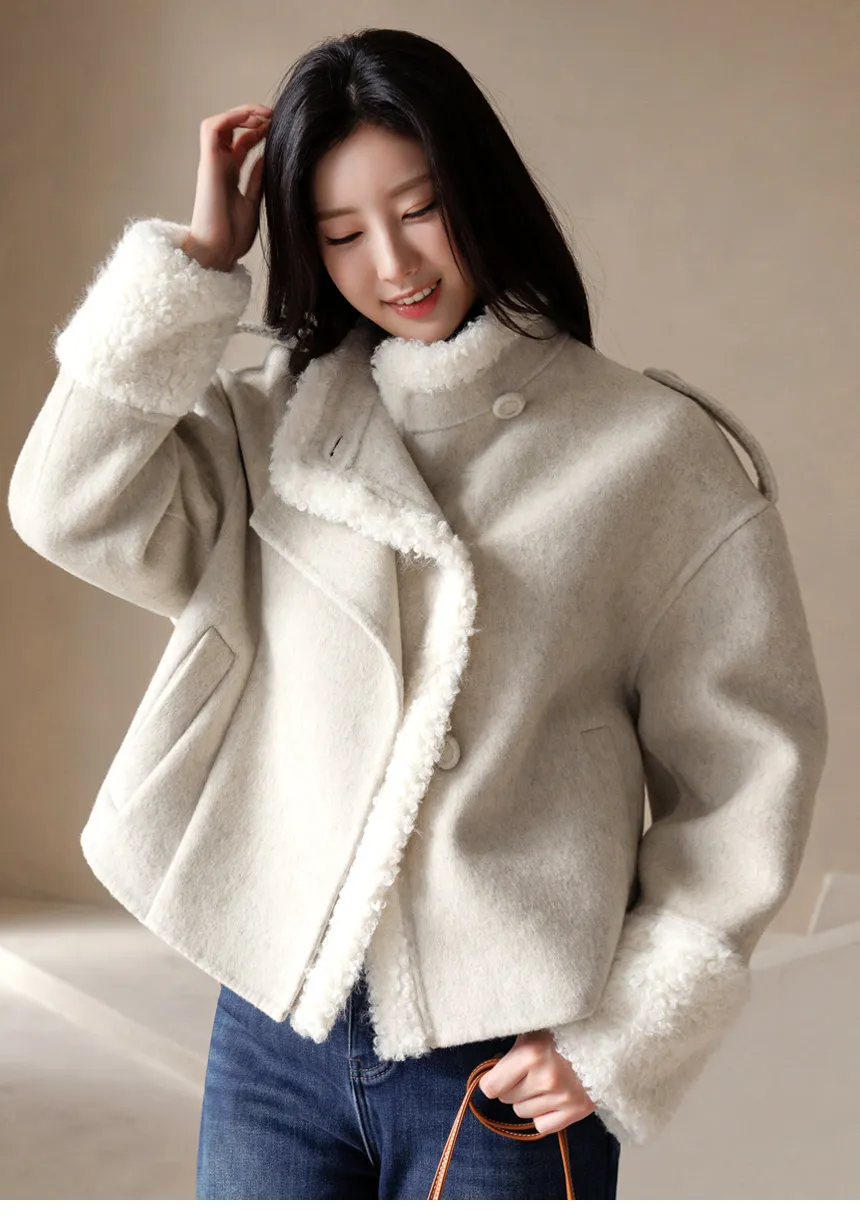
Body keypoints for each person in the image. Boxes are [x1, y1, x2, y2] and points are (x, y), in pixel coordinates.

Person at [7, 27, 828, 1201]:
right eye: (340, 233)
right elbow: (64, 505)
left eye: (420, 209)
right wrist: (194, 265)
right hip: (273, 1029)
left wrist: (624, 1032)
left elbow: (746, 769)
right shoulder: (275, 421)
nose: (391, 263)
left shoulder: (651, 452)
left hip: (500, 1057)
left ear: (480, 191)